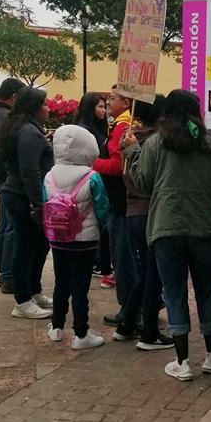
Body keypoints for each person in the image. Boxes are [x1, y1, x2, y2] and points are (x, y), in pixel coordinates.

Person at [123, 89, 211, 381]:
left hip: (165, 228)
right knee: (206, 292)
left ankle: (182, 361)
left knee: (173, 292)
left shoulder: (155, 144)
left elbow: (144, 184)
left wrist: (132, 151)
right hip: (204, 230)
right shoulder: (210, 145)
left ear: (166, 113)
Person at [114, 94, 174, 351]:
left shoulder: (130, 137)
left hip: (132, 212)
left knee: (148, 272)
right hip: (150, 212)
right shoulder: (153, 143)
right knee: (154, 276)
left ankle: (126, 321)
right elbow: (152, 179)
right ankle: (148, 331)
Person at [43, 125, 108, 349]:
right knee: (80, 286)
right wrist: (101, 230)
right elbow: (102, 208)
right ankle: (81, 333)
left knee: (60, 283)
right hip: (85, 241)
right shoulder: (92, 176)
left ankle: (56, 327)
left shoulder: (49, 176)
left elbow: (45, 204)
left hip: (58, 238)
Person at [0, 87, 54, 319]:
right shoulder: (29, 133)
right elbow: (30, 172)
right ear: (34, 108)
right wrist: (38, 205)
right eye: (44, 105)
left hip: (22, 195)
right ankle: (22, 300)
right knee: (25, 248)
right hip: (23, 198)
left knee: (39, 246)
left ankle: (33, 290)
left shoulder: (28, 129)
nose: (48, 108)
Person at [93, 86, 137, 318]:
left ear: (127, 103)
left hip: (121, 202)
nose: (108, 101)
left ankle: (129, 310)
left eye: (112, 98)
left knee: (124, 257)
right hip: (119, 201)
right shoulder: (121, 124)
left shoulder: (124, 127)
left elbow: (118, 166)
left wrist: (93, 163)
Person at [0, 77, 25, 294]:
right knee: (11, 227)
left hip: (1, 177)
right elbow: (4, 150)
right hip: (7, 177)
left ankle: (5, 272)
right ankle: (8, 275)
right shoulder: (4, 116)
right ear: (14, 97)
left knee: (5, 225)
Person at [75, 92, 111, 279]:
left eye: (105, 106)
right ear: (90, 108)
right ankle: (95, 261)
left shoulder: (99, 128)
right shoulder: (84, 131)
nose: (104, 110)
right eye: (99, 106)